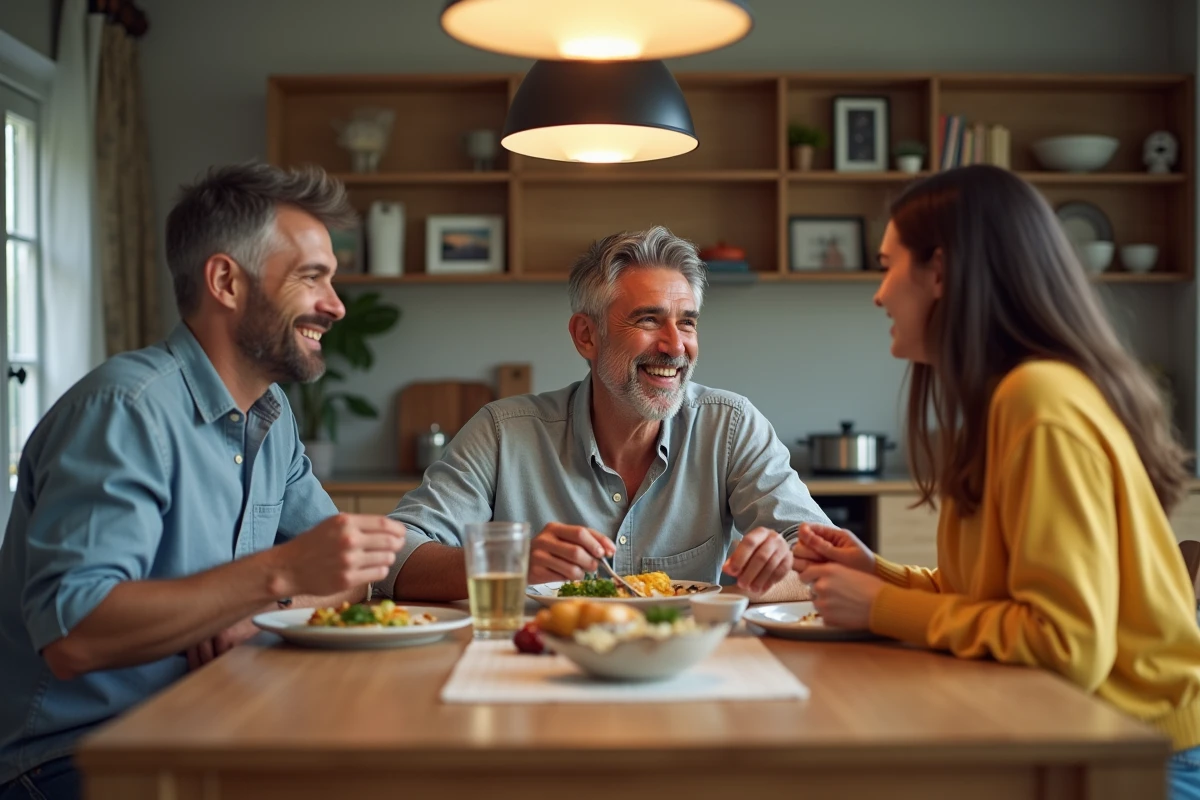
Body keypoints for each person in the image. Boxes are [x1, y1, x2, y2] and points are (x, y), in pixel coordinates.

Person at [791, 164, 1200, 798]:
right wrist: (880, 574)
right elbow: (988, 598)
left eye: (886, 264)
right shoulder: (1008, 399)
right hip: (1086, 731)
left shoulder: (1039, 401)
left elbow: (1064, 644)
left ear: (942, 271)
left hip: (1141, 756)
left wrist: (883, 608)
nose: (878, 294)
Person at [0, 162, 406, 799]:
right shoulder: (125, 411)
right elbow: (72, 635)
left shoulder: (271, 420)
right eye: (311, 278)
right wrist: (276, 579)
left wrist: (259, 611)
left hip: (210, 725)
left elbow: (353, 571)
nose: (336, 305)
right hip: (78, 760)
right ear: (226, 281)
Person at [382, 226, 831, 602]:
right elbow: (395, 558)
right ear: (586, 336)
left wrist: (768, 576)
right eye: (649, 320)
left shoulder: (730, 426)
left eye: (687, 322)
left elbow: (825, 560)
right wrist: (510, 562)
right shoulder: (503, 433)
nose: (676, 346)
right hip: (537, 667)